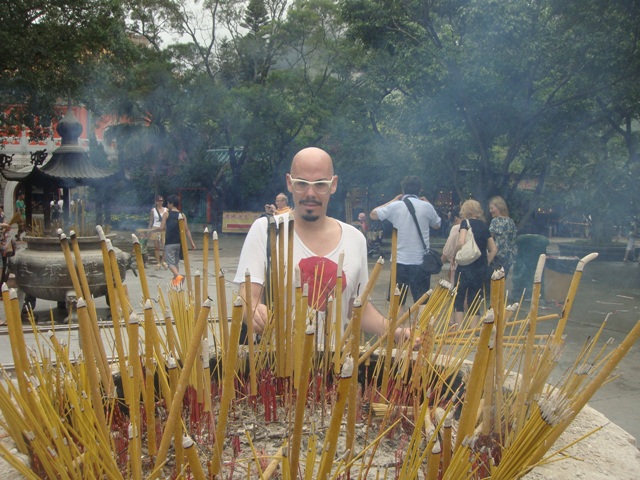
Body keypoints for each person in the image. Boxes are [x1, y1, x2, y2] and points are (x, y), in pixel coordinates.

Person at [234, 147, 411, 343]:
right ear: (289, 183)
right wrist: (253, 311)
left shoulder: (355, 239)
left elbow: (356, 306)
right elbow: (247, 297)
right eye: (301, 183)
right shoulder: (267, 231)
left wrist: (395, 332)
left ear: (333, 184)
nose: (310, 193)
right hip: (276, 369)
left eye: (320, 184)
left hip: (333, 368)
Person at [370, 175, 441, 305]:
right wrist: (429, 203)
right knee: (422, 302)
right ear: (420, 190)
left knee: (397, 302)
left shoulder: (396, 206)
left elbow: (373, 214)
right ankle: (420, 325)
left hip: (400, 261)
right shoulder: (426, 207)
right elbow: (437, 224)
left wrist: (393, 200)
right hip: (421, 262)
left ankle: (398, 326)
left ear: (402, 190)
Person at [453, 199, 497, 327]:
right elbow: (493, 249)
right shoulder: (484, 226)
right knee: (474, 299)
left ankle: (459, 330)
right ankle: (473, 332)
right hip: (480, 267)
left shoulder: (465, 223)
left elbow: (461, 242)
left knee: (459, 298)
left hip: (465, 267)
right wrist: (486, 262)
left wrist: (455, 254)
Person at [156, 194, 196, 286]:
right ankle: (176, 282)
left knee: (170, 263)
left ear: (171, 203)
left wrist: (153, 230)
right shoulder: (182, 215)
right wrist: (192, 242)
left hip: (170, 242)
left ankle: (178, 276)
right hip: (180, 243)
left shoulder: (167, 213)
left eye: (168, 203)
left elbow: (161, 227)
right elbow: (187, 230)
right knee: (176, 262)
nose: (167, 205)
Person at [488, 196, 517, 275]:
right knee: (503, 280)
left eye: (492, 208)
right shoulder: (511, 222)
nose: (490, 211)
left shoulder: (495, 221)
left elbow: (489, 238)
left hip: (497, 256)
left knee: (494, 281)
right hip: (509, 258)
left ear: (499, 207)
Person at [441, 206, 462, 284]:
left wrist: (440, 263)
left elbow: (448, 250)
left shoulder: (456, 228)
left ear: (455, 218)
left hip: (458, 264)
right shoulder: (474, 226)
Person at [148, 195, 168, 269]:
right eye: (159, 201)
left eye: (161, 200)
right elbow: (151, 220)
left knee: (165, 246)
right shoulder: (153, 210)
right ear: (156, 202)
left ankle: (163, 261)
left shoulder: (166, 210)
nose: (160, 202)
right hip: (155, 228)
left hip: (163, 229)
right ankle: (158, 262)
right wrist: (149, 230)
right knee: (156, 247)